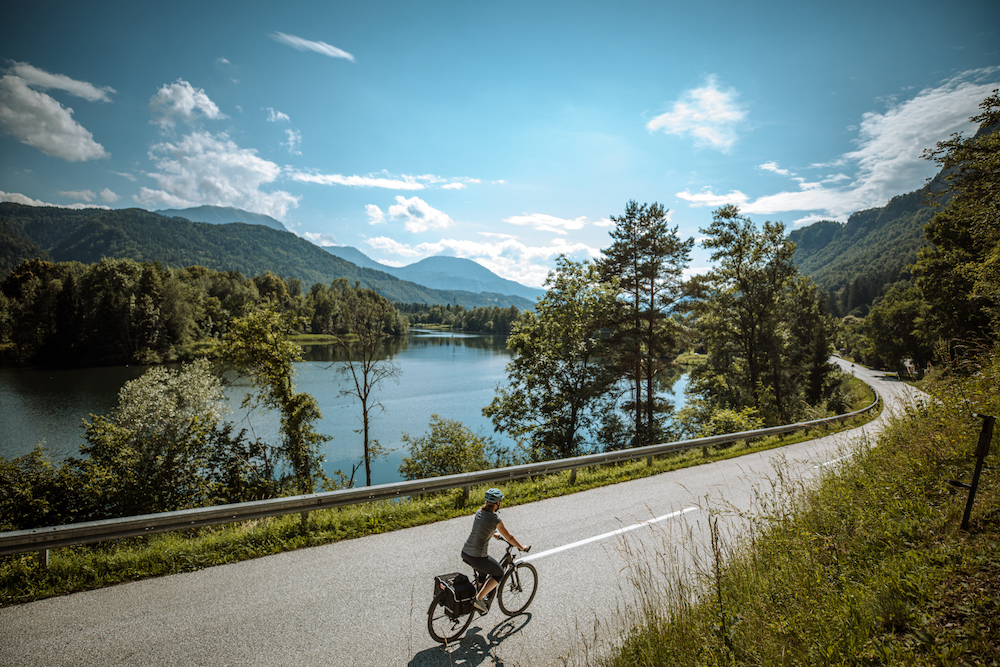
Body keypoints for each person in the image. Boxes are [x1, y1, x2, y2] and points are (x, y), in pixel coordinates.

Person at [461, 487, 528, 613]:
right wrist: (521, 547)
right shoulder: (495, 519)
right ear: (497, 503)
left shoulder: (479, 512)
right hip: (477, 556)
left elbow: (480, 528)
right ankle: (478, 599)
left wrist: (493, 533)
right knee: (499, 573)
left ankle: (477, 594)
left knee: (483, 573)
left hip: (466, 552)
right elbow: (510, 537)